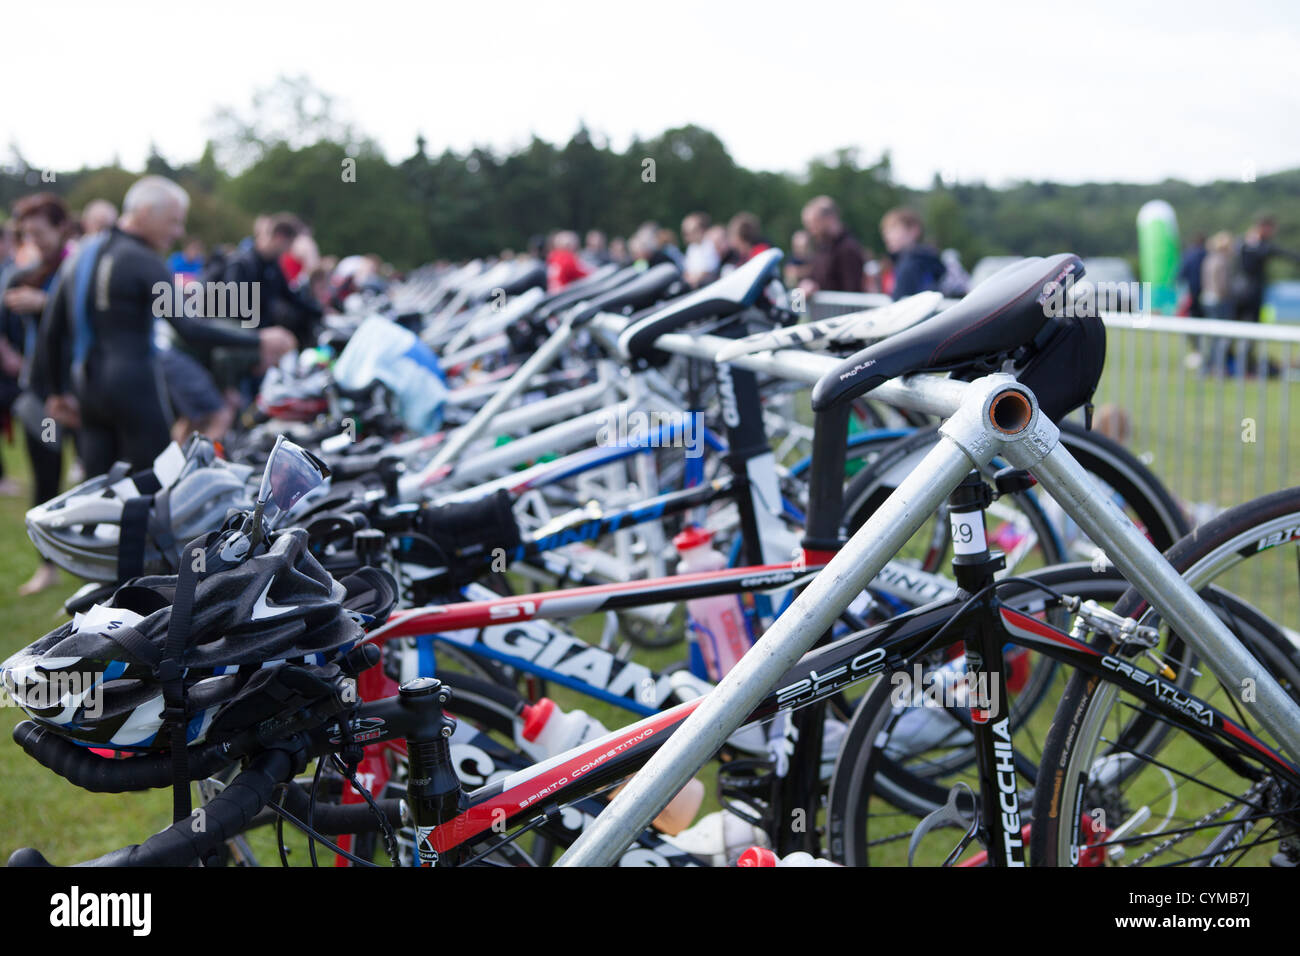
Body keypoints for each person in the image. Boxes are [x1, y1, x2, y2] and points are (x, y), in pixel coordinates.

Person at [36, 175, 295, 478]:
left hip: (88, 386)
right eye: (174, 222)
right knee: (157, 483)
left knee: (100, 488)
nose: (179, 232)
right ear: (145, 213)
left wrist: (55, 391)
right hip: (134, 385)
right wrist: (259, 339)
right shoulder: (144, 260)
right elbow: (189, 328)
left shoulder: (83, 254)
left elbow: (51, 331)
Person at [1, 195, 74, 592]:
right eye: (26, 234)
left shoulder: (81, 267)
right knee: (46, 479)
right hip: (41, 393)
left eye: (39, 232)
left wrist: (44, 303)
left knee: (101, 477)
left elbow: (90, 316)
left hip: (83, 394)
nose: (33, 240)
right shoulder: (25, 274)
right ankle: (47, 566)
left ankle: (108, 570)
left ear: (62, 227)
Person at [219, 213, 322, 342]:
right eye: (289, 244)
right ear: (279, 237)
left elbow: (291, 296)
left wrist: (319, 311)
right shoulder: (243, 264)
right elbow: (234, 310)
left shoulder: (273, 265)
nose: (290, 250)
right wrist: (264, 334)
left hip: (260, 329)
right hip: (241, 332)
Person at [800, 196, 865, 294]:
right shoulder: (822, 247)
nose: (811, 231)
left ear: (830, 218)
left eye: (814, 223)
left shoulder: (847, 249)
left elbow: (851, 291)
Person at [880, 207, 945, 299]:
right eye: (886, 231)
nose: (887, 235)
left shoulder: (910, 263)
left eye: (893, 229)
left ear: (914, 230)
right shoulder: (927, 259)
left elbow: (899, 301)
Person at [681, 212, 720, 287]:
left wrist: (694, 279)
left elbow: (710, 269)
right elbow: (687, 271)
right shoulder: (691, 248)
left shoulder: (710, 244)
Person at [1177, 234, 1207, 317]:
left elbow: (1182, 272)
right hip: (1200, 287)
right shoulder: (1204, 254)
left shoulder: (1188, 254)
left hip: (1190, 287)